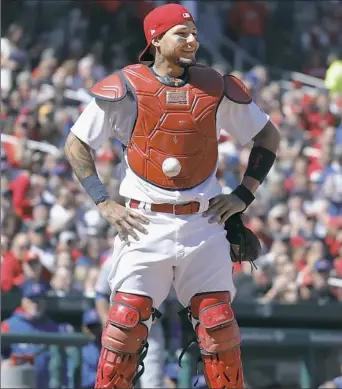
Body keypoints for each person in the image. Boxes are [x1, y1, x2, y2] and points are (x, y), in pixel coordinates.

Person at [64, 3, 280, 388]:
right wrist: (103, 202)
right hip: (144, 223)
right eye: (182, 34)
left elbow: (267, 136)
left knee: (219, 328)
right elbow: (77, 144)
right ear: (155, 39)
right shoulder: (126, 85)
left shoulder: (215, 86)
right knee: (124, 328)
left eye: (194, 33)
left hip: (204, 221)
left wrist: (244, 194)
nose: (192, 40)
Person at [95, 258, 166, 388]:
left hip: (151, 329)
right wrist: (109, 326)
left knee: (153, 383)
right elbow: (100, 295)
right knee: (114, 379)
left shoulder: (162, 257)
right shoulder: (112, 261)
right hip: (121, 329)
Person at [1, 281, 63, 388]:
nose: (35, 304)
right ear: (23, 301)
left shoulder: (53, 327)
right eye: (32, 300)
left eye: (39, 300)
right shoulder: (8, 325)